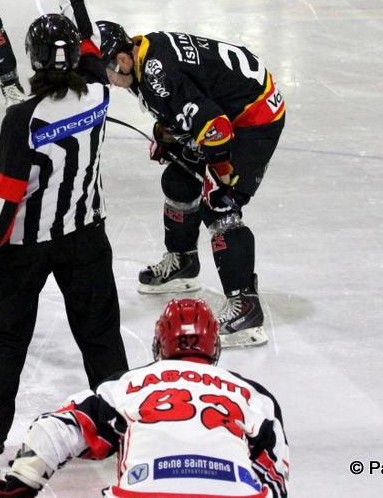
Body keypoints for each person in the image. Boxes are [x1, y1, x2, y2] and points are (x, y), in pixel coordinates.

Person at [0, 0, 128, 456]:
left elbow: (7, 195)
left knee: (6, 337)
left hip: (25, 247)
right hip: (86, 236)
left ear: (32, 58)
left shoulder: (23, 118)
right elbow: (88, 38)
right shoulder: (99, 90)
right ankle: (121, 423)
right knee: (101, 335)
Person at [96, 20, 285, 348]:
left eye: (106, 74)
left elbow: (216, 128)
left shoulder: (158, 76)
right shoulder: (144, 53)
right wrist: (167, 136)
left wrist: (220, 173)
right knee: (179, 182)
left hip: (253, 117)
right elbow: (189, 102)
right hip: (229, 108)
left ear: (122, 60)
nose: (108, 82)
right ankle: (183, 261)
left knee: (220, 204)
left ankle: (246, 307)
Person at [0, 297, 290, 498]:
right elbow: (276, 477)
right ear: (215, 347)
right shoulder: (255, 395)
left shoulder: (126, 385)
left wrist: (18, 486)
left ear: (159, 344)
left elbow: (56, 428)